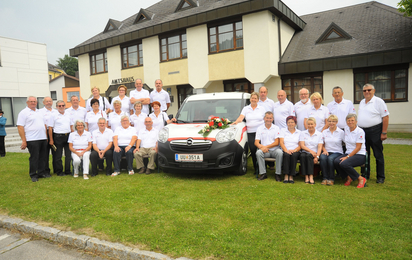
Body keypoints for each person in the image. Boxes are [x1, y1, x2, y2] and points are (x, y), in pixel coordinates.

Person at [357, 83, 389, 184]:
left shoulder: (379, 101)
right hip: (363, 131)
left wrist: (384, 132)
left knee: (378, 154)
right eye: (365, 90)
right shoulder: (362, 102)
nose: (367, 92)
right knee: (364, 154)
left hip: (375, 131)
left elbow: (386, 117)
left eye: (369, 90)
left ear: (374, 91)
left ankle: (380, 177)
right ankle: (365, 174)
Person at [232, 92, 265, 173]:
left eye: (255, 98)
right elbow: (241, 117)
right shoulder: (246, 108)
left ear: (258, 100)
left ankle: (263, 168)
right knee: (253, 150)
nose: (253, 100)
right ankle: (256, 168)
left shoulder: (262, 108)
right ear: (250, 99)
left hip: (261, 133)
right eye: (252, 98)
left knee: (261, 149)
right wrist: (235, 122)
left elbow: (266, 119)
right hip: (251, 132)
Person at [17, 96, 48, 182]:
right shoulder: (23, 113)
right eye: (31, 101)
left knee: (43, 157)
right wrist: (24, 140)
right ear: (27, 102)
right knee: (34, 157)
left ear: (37, 102)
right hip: (32, 139)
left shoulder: (40, 112)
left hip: (42, 138)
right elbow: (20, 127)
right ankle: (33, 174)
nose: (33, 103)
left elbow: (44, 125)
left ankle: (41, 173)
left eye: (34, 101)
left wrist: (46, 137)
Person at [334, 114, 367, 188]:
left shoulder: (360, 131)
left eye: (352, 120)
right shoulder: (346, 129)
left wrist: (347, 157)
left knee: (344, 163)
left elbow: (358, 148)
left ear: (356, 121)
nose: (350, 122)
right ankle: (349, 177)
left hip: (359, 154)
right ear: (346, 122)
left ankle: (361, 179)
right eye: (348, 120)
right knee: (336, 161)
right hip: (348, 152)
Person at [255, 112, 282, 181]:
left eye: (270, 118)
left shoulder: (276, 128)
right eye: (267, 118)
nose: (268, 119)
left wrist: (265, 147)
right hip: (265, 151)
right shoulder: (260, 128)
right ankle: (263, 174)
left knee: (280, 153)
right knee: (258, 153)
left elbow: (277, 142)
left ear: (272, 119)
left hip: (274, 150)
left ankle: (278, 174)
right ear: (264, 118)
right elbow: (256, 142)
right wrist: (262, 147)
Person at [48, 100, 72, 176]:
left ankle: (67, 170)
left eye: (63, 105)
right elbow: (50, 128)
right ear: (57, 107)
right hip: (58, 136)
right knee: (58, 156)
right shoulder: (53, 115)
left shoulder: (68, 114)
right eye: (59, 106)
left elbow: (71, 126)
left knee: (68, 155)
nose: (61, 107)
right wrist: (51, 139)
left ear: (65, 106)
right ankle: (59, 171)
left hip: (68, 136)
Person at [319, 115, 344, 186]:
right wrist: (324, 150)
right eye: (329, 121)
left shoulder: (341, 132)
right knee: (323, 158)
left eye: (333, 121)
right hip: (327, 151)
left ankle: (331, 179)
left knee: (330, 159)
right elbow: (322, 144)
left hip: (337, 152)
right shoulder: (324, 132)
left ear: (336, 122)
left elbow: (347, 142)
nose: (331, 123)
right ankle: (325, 178)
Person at [299, 117, 323, 184]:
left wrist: (317, 156)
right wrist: (311, 151)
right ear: (306, 125)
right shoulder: (303, 133)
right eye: (308, 124)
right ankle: (306, 176)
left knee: (308, 156)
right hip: (305, 151)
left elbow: (319, 147)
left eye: (312, 124)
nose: (310, 126)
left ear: (315, 125)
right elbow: (302, 145)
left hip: (315, 153)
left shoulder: (319, 134)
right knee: (302, 156)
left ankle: (311, 176)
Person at [279, 116, 301, 184]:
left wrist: (294, 150)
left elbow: (301, 145)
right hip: (286, 150)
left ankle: (291, 175)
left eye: (292, 122)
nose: (290, 124)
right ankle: (286, 175)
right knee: (286, 155)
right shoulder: (283, 131)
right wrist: (286, 150)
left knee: (294, 156)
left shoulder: (299, 132)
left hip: (296, 150)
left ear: (295, 123)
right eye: (288, 122)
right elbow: (281, 142)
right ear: (286, 123)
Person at [39, 96, 57, 177]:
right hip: (45, 133)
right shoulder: (40, 112)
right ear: (43, 103)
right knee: (45, 154)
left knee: (56, 153)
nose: (49, 103)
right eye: (47, 101)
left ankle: (57, 169)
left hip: (55, 133)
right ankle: (46, 171)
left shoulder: (56, 111)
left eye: (50, 101)